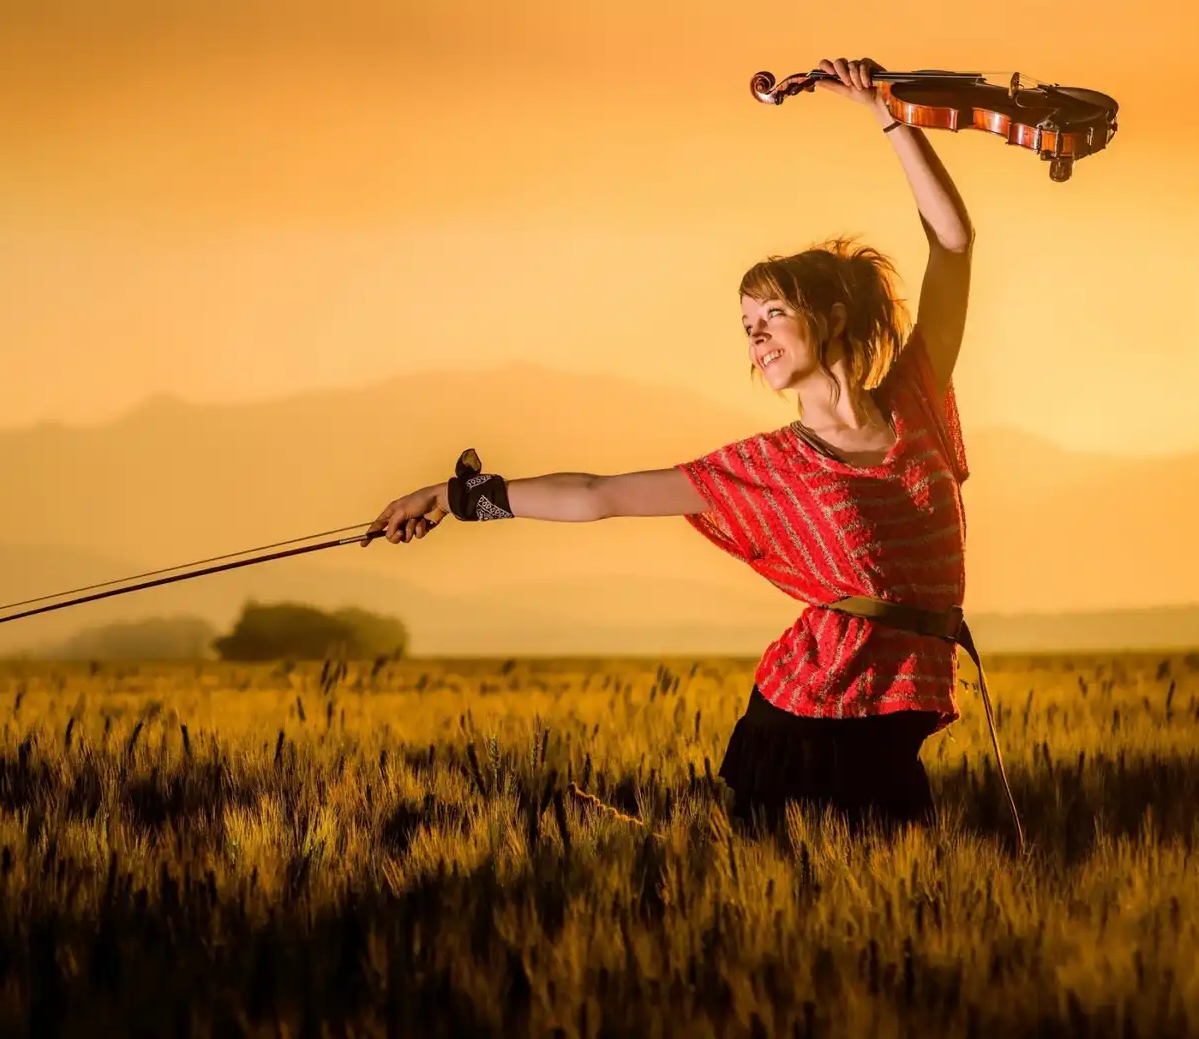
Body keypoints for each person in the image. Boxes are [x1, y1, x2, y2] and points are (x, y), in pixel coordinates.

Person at [363, 56, 978, 836]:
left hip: (896, 717)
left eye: (771, 317)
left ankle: (602, 824)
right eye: (746, 327)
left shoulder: (917, 403)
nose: (755, 339)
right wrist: (453, 498)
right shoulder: (768, 468)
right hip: (807, 726)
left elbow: (952, 246)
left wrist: (888, 114)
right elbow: (598, 495)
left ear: (828, 315)